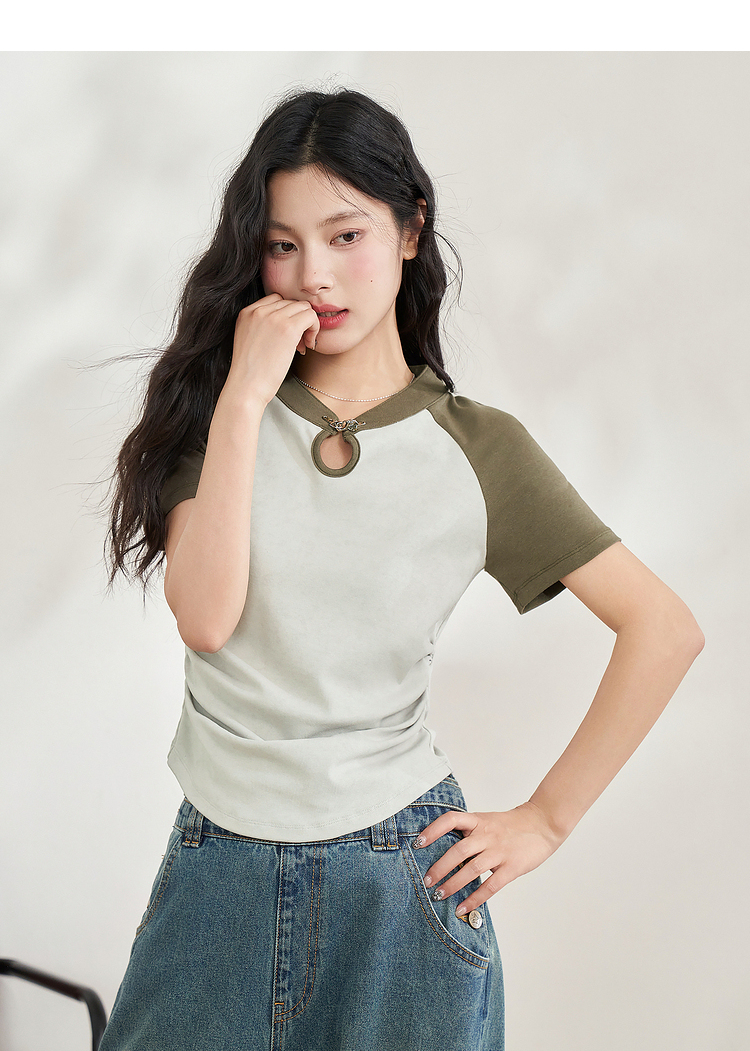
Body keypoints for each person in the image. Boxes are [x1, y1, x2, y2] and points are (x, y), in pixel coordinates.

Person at [101, 87, 704, 1051]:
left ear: (411, 230)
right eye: (283, 245)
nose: (315, 276)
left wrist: (545, 820)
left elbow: (664, 628)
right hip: (220, 870)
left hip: (400, 878)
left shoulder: (480, 450)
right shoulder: (217, 419)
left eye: (347, 236)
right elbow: (207, 617)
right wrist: (248, 392)